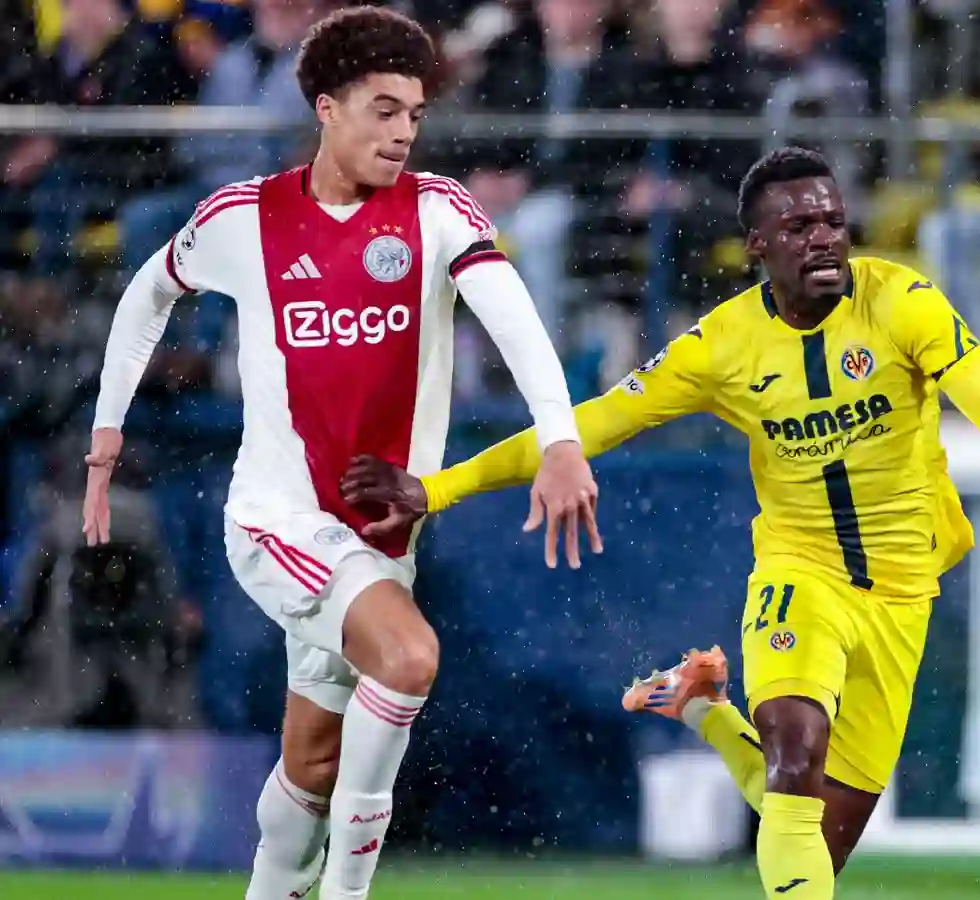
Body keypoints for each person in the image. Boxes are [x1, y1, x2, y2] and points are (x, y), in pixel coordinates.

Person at [341, 147, 980, 899]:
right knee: (793, 746)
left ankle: (701, 708)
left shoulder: (903, 302)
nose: (822, 238)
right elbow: (594, 423)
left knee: (822, 840)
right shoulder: (722, 345)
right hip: (799, 570)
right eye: (799, 227)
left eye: (834, 222)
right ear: (757, 245)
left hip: (903, 589)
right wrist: (436, 489)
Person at [82, 8, 598, 900]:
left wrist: (560, 436)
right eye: (384, 109)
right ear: (327, 108)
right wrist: (106, 433)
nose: (403, 133)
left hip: (380, 539)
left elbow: (514, 317)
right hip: (280, 522)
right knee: (408, 661)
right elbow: (147, 292)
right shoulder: (245, 217)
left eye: (415, 116)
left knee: (313, 766)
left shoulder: (438, 211)